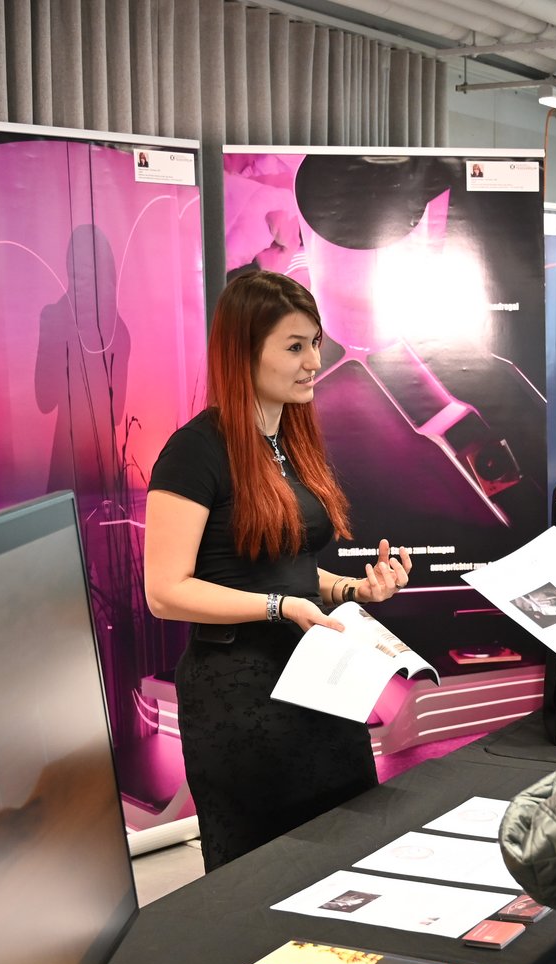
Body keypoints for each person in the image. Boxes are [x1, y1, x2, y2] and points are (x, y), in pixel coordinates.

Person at [145, 271, 411, 871]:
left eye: (315, 342)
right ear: (244, 352)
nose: (314, 361)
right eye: (295, 347)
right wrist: (278, 608)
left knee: (350, 863)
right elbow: (165, 591)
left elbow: (289, 570)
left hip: (318, 687)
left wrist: (354, 588)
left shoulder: (289, 439)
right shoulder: (194, 452)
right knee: (262, 878)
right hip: (241, 699)